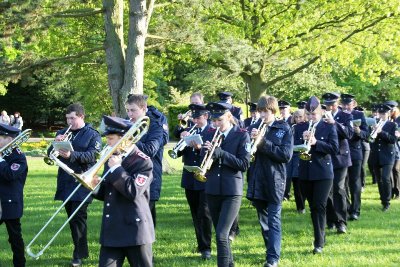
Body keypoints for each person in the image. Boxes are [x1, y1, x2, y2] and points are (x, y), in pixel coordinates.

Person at [92, 115, 154, 267]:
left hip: (135, 229)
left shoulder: (143, 161)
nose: (108, 142)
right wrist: (95, 186)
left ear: (126, 138)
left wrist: (117, 169)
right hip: (112, 227)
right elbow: (110, 193)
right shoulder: (112, 158)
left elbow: (133, 191)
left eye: (111, 139)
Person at [47, 103, 102, 267]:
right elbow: (51, 154)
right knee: (72, 219)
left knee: (78, 218)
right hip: (65, 180)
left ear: (81, 116)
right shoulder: (62, 132)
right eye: (67, 118)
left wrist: (72, 154)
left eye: (73, 118)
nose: (69, 122)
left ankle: (78, 254)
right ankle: (82, 251)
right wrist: (55, 144)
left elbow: (94, 155)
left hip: (82, 179)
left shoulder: (92, 135)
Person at [246, 95, 293, 267]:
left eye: (265, 112)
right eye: (260, 112)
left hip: (275, 180)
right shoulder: (254, 126)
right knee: (263, 220)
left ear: (273, 111)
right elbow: (246, 152)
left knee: (273, 220)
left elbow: (285, 155)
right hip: (258, 179)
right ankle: (270, 251)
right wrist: (250, 141)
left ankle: (273, 258)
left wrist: (263, 142)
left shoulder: (284, 128)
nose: (262, 115)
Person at [202, 102, 250, 267]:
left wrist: (221, 154)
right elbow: (205, 162)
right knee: (220, 234)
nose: (216, 124)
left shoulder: (242, 135)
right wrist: (205, 151)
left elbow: (243, 164)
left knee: (222, 235)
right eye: (214, 121)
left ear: (229, 117)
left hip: (232, 191)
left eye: (220, 120)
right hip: (212, 189)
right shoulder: (210, 134)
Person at [296, 96, 338, 254]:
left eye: (313, 115)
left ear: (320, 113)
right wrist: (302, 142)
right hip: (305, 172)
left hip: (323, 173)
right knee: (313, 206)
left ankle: (319, 242)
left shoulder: (328, 127)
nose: (310, 117)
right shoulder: (300, 127)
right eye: (308, 114)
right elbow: (293, 147)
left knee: (319, 206)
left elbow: (334, 148)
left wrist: (316, 143)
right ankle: (321, 236)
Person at [176, 104, 213, 260]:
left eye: (198, 118)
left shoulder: (212, 131)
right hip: (189, 177)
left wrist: (199, 148)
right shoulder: (191, 130)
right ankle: (200, 243)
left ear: (205, 116)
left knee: (204, 213)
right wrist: (182, 140)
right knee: (194, 213)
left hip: (204, 177)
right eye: (194, 118)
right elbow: (178, 153)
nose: (195, 121)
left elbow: (213, 153)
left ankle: (206, 248)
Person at [125, 94, 168, 227]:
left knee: (145, 217)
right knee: (131, 216)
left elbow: (150, 150)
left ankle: (147, 246)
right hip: (130, 174)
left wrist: (129, 140)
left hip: (149, 176)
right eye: (127, 110)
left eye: (133, 110)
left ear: (143, 108)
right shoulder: (127, 124)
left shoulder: (155, 125)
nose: (129, 114)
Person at [322, 92, 353, 234]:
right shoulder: (321, 116)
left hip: (341, 157)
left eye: (333, 104)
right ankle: (331, 219)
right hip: (326, 157)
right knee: (327, 191)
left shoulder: (346, 116)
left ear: (337, 103)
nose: (330, 107)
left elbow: (349, 134)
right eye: (328, 104)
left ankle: (341, 221)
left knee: (339, 189)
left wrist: (334, 123)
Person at [0, 124, 28, 267]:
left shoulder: (18, 157)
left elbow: (10, 175)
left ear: (8, 139)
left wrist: (0, 160)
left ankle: (20, 264)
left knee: (15, 237)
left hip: (10, 202)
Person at [341, 93, 368, 221]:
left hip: (355, 153)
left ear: (354, 104)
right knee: (342, 183)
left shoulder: (359, 115)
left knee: (355, 183)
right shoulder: (339, 115)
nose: (346, 107)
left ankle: (355, 210)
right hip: (341, 153)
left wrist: (359, 132)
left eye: (349, 104)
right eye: (344, 104)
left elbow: (366, 134)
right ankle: (346, 207)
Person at [369, 104, 397, 211]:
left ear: (388, 114)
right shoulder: (374, 123)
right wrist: (373, 132)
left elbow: (393, 139)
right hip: (376, 155)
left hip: (388, 155)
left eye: (384, 113)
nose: (382, 115)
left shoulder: (392, 125)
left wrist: (381, 132)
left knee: (385, 178)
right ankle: (383, 200)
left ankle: (388, 200)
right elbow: (370, 139)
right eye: (380, 113)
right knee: (379, 179)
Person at [287, 109, 307, 213]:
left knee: (302, 182)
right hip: (293, 157)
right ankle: (300, 206)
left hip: (303, 155)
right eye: (296, 117)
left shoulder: (308, 126)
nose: (298, 119)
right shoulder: (292, 127)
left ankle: (303, 203)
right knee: (295, 181)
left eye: (300, 117)